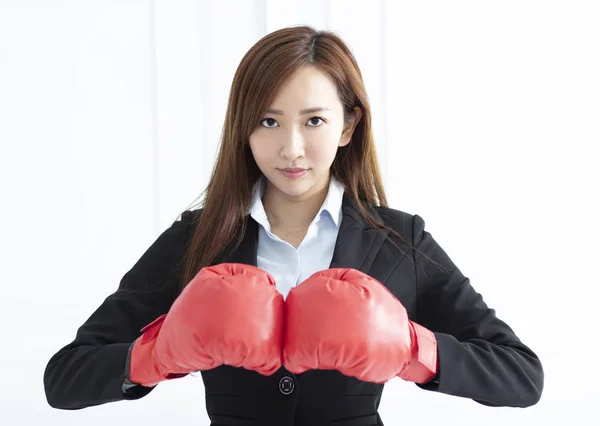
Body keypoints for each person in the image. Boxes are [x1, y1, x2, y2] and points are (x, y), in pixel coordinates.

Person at [43, 25, 544, 425]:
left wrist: (412, 348)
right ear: (244, 127)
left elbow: (522, 375)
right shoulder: (196, 240)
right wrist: (157, 352)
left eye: (314, 121)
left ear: (348, 125)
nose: (291, 148)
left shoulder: (400, 241)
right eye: (268, 121)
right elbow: (63, 378)